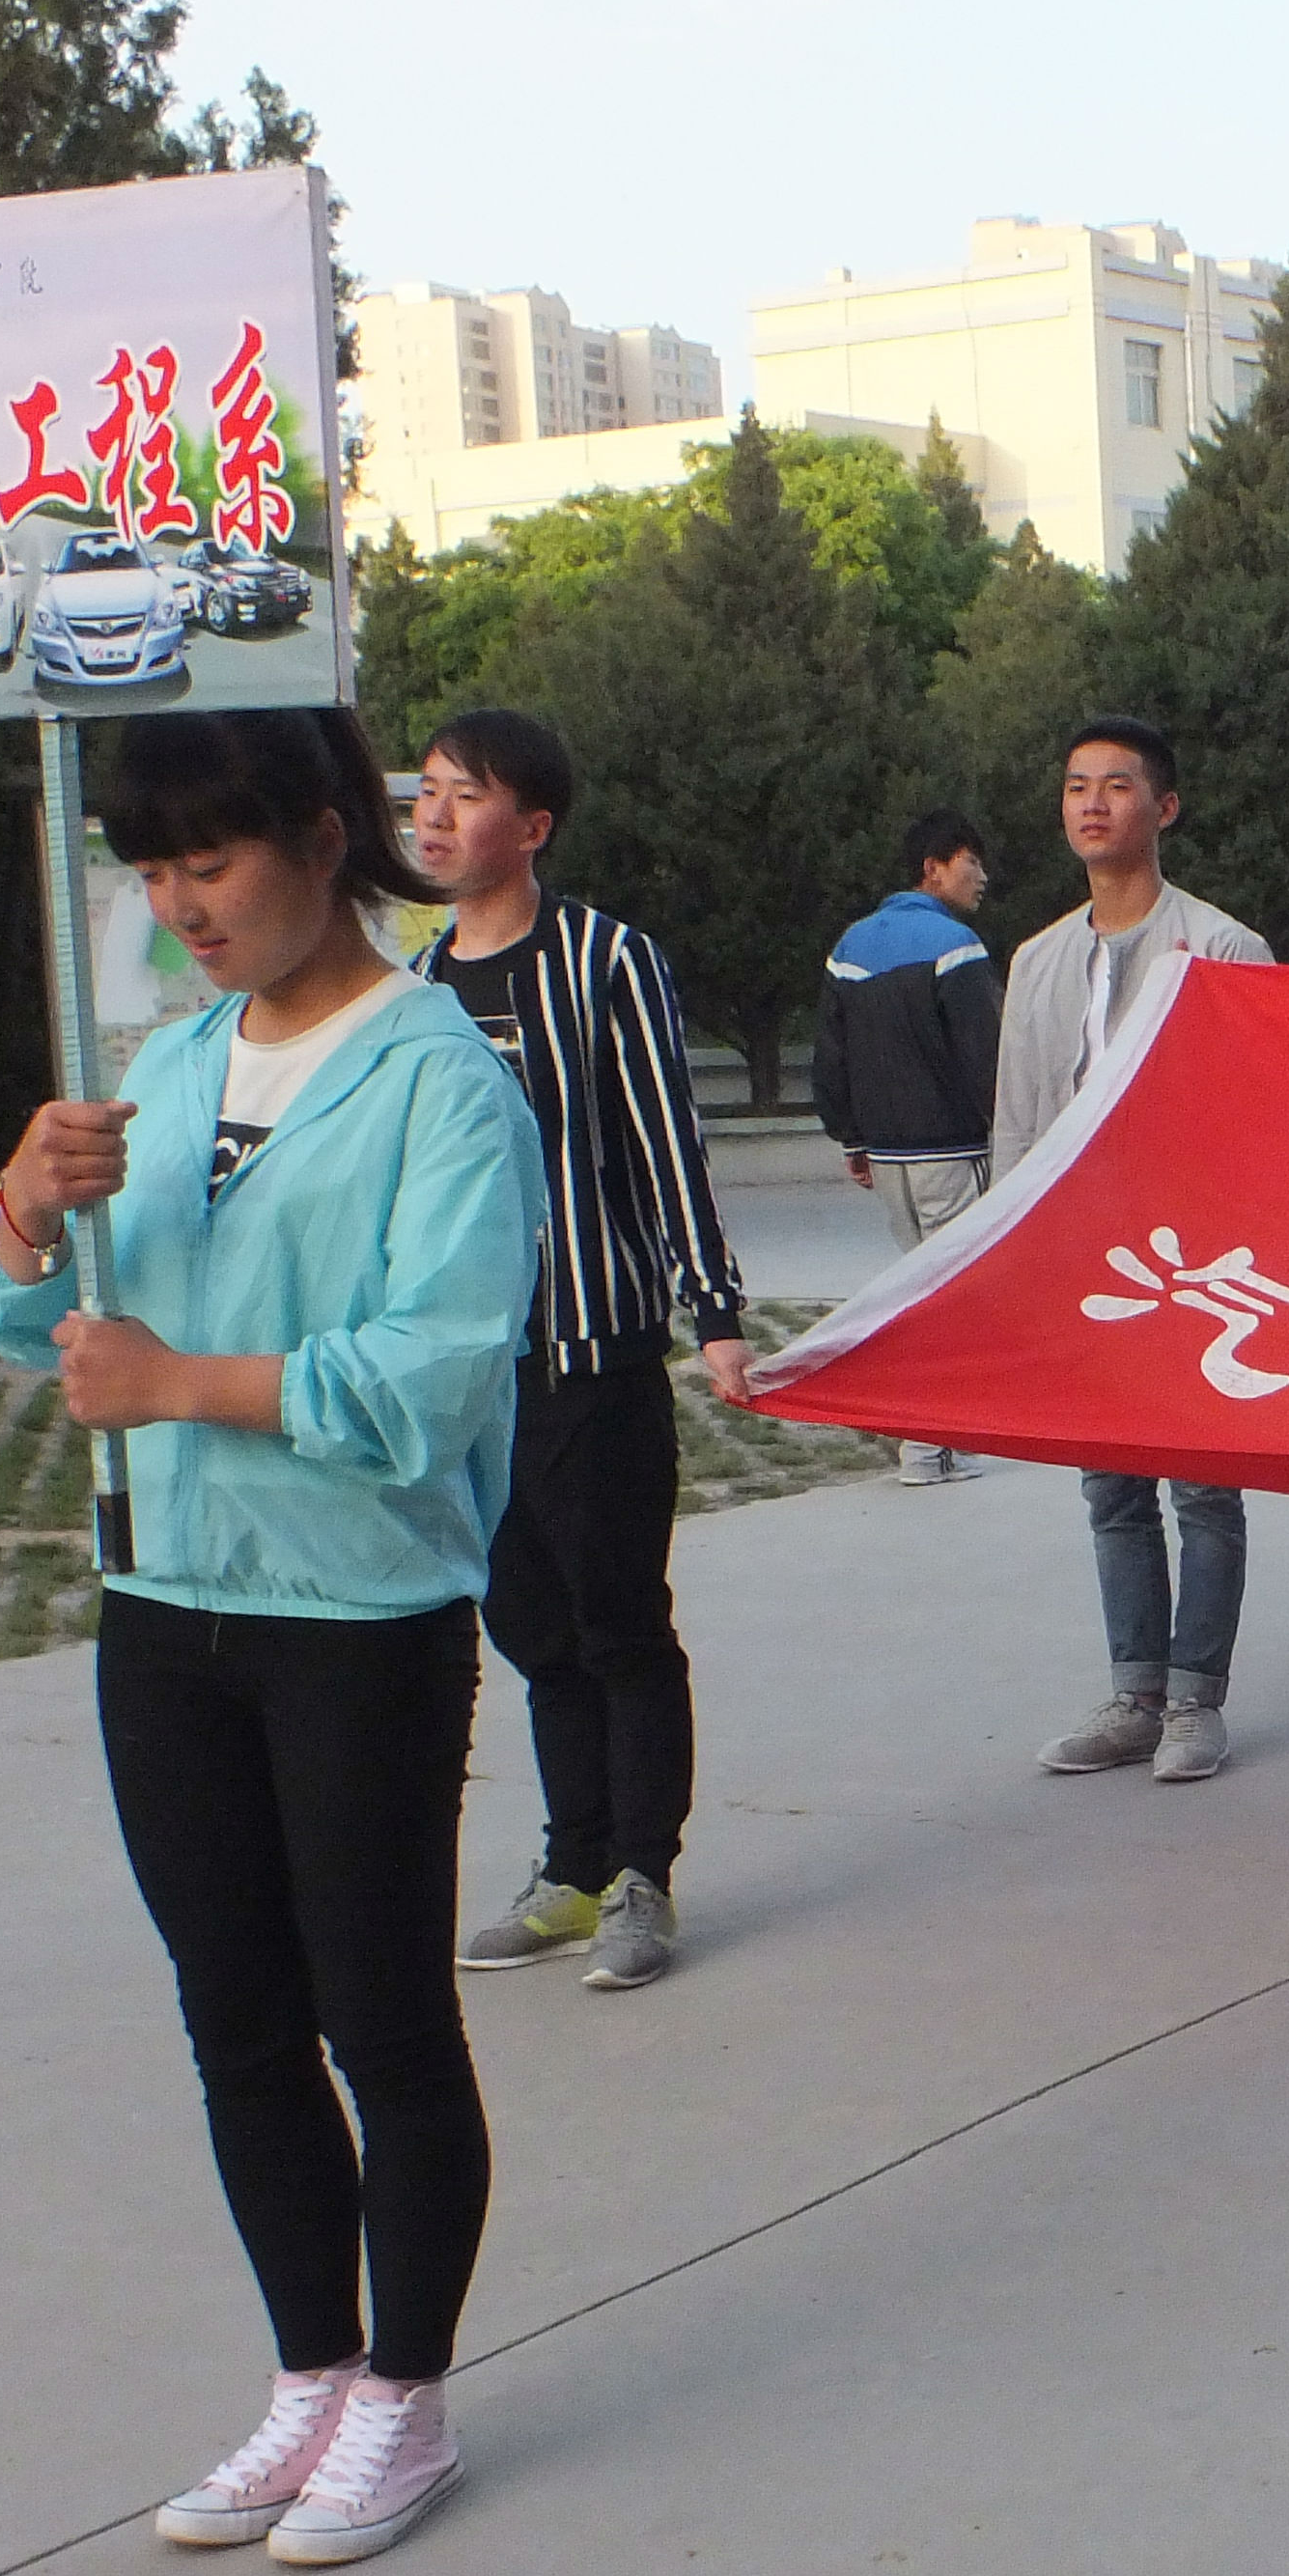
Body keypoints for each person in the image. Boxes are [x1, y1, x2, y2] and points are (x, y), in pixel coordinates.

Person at [0, 707, 547, 2565]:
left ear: (320, 835)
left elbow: (432, 1377)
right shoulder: (167, 1060)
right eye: (150, 870)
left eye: (207, 861)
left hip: (356, 1617)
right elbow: (47, 1329)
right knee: (234, 2022)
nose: (177, 904)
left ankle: (406, 2400)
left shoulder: (442, 1083)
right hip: (164, 1609)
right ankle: (311, 2372)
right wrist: (23, 1214)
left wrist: (183, 1382)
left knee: (381, 2018)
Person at [406, 708, 750, 1998]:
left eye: (466, 796)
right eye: (426, 793)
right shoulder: (415, 987)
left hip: (593, 1354)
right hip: (476, 1375)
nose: (436, 817)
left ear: (533, 826)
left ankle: (641, 1877)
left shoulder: (605, 959)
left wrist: (715, 1309)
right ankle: (572, 1866)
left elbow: (668, 1140)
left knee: (619, 1627)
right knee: (533, 1631)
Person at [989, 717, 1279, 1778]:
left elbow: (1261, 1119)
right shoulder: (1038, 960)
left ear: (1166, 808)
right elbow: (1019, 1121)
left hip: (1196, 1260)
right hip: (1085, 1259)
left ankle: (1196, 1699)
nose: (1093, 804)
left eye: (1117, 785)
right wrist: (1014, 1254)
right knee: (1110, 1487)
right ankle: (1134, 1694)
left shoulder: (1225, 949)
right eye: (1077, 786)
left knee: (1202, 1486)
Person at [813, 806, 1004, 1486]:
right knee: (951, 1295)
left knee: (915, 1288)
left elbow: (831, 1056)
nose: (982, 877)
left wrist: (852, 1137)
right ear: (934, 868)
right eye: (971, 862)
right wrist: (1009, 1134)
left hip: (887, 1155)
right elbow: (986, 1056)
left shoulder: (851, 946)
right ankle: (934, 1444)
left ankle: (926, 1440)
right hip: (951, 1149)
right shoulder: (957, 947)